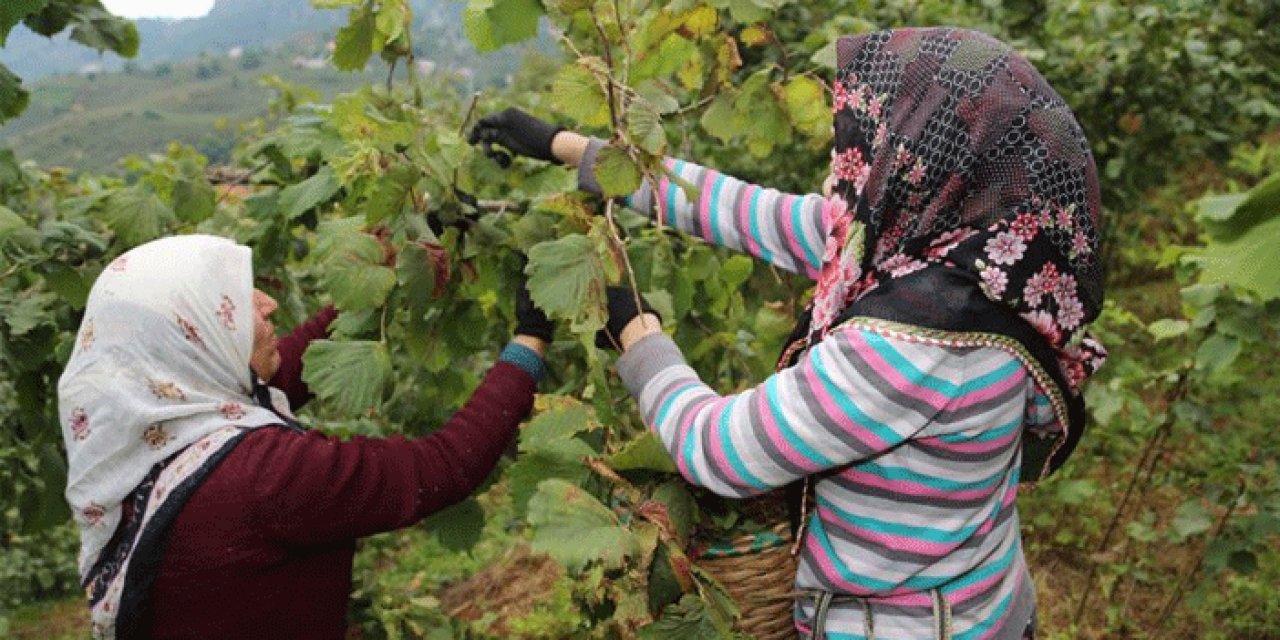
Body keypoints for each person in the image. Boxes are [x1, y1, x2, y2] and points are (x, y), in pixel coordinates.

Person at [471, 27, 1106, 640]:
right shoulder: (990, 266)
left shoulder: (915, 351)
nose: (865, 151)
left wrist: (638, 335)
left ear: (928, 160)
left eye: (887, 131)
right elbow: (742, 211)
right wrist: (570, 148)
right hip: (986, 604)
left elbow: (719, 451)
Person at [57, 234, 554, 639]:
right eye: (236, 301)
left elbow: (285, 373)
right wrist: (529, 340)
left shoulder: (153, 425)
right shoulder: (265, 476)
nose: (269, 303)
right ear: (197, 334)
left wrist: (380, 269)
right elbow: (442, 466)